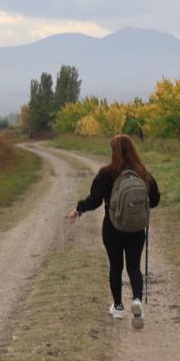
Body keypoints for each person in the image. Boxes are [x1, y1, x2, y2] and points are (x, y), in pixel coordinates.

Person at [69, 135, 160, 326]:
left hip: (113, 227)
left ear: (113, 152)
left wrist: (79, 209)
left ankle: (118, 307)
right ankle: (136, 300)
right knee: (134, 267)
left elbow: (95, 200)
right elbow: (155, 199)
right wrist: (135, 209)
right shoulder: (142, 172)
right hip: (136, 228)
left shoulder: (106, 173)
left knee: (116, 267)